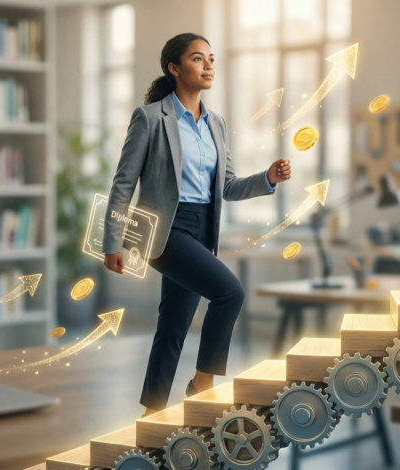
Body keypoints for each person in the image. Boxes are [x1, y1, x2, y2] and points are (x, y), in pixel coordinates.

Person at [102, 33, 292, 415]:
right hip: (166, 230)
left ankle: (151, 412)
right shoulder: (150, 118)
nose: (208, 66)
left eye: (211, 59)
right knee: (230, 293)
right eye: (197, 59)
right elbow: (123, 183)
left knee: (172, 325)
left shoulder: (216, 125)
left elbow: (228, 187)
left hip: (203, 229)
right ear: (174, 69)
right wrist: (113, 241)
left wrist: (267, 178)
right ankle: (201, 384)